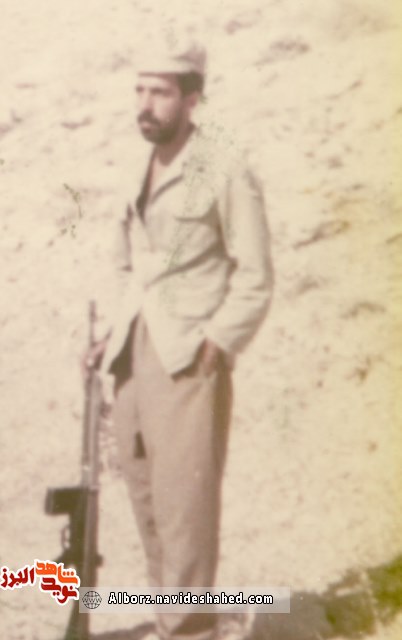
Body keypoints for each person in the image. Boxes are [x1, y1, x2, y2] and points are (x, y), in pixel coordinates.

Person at [86, 35, 274, 640]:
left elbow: (256, 273)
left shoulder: (225, 169)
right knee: (145, 495)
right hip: (132, 350)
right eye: (140, 90)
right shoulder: (135, 164)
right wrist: (110, 331)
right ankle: (172, 621)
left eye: (161, 92)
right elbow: (125, 261)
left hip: (188, 352)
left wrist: (219, 340)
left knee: (184, 506)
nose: (145, 105)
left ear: (193, 99)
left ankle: (190, 630)